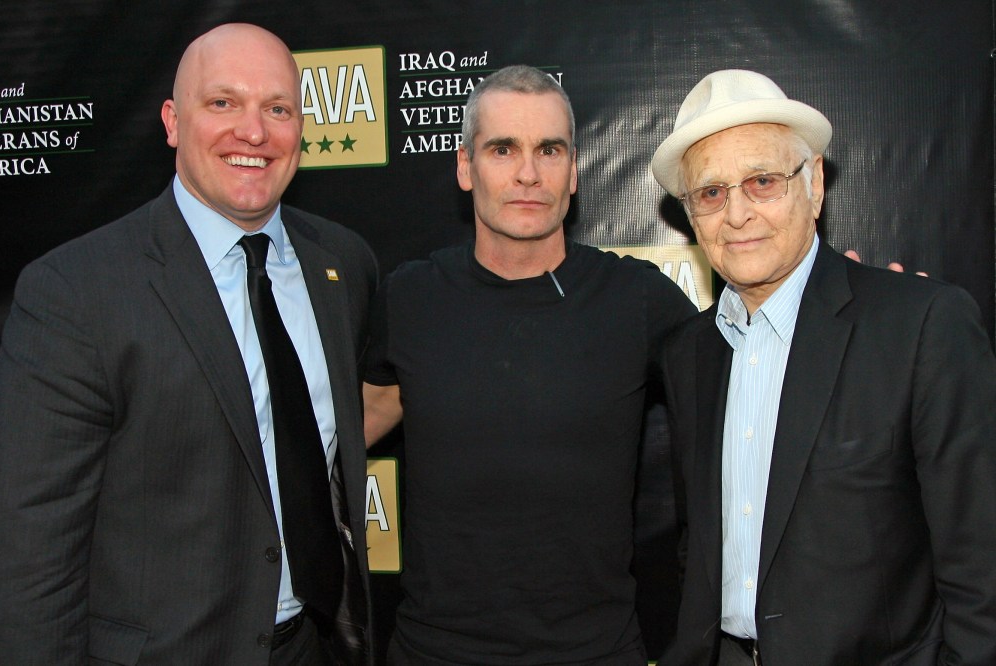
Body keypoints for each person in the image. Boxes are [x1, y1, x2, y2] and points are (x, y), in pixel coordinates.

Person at [0, 23, 377, 665]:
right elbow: (31, 554)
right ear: (172, 121)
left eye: (277, 108)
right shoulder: (75, 292)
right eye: (222, 103)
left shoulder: (341, 262)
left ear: (302, 128)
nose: (253, 132)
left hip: (313, 648)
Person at [650, 69, 996, 665]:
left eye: (762, 181)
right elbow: (699, 544)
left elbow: (981, 558)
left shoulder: (920, 324)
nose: (736, 214)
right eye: (711, 192)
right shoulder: (689, 353)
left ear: (814, 185)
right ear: (690, 214)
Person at [362, 65, 696, 664]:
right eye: (502, 149)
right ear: (465, 168)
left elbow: (757, 377)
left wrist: (868, 320)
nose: (527, 173)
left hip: (595, 653)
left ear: (573, 172)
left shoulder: (635, 299)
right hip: (434, 652)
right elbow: (327, 432)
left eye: (549, 150)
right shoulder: (409, 298)